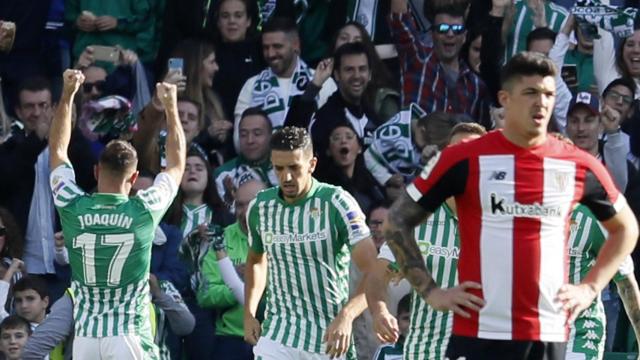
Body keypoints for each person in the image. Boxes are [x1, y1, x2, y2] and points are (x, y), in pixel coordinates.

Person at [381, 52, 638, 359]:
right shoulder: (463, 159)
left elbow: (626, 229)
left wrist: (589, 288)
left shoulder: (576, 164)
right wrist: (431, 292)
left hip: (545, 334)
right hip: (479, 332)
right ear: (505, 98)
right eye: (530, 93)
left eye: (548, 94)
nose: (541, 102)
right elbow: (395, 222)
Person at [48, 69, 186, 359]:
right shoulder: (145, 209)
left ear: (96, 171)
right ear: (134, 178)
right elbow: (175, 166)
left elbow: (58, 152)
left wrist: (67, 95)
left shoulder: (72, 204)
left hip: (86, 337)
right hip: (128, 336)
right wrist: (171, 109)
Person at [243, 126, 380, 359]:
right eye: (279, 168)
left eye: (294, 168)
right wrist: (249, 313)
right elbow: (256, 259)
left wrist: (346, 316)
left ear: (312, 165)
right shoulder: (260, 207)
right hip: (278, 334)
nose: (286, 176)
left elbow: (374, 271)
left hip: (328, 337)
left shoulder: (337, 202)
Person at [367, 123, 486, 360]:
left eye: (473, 154)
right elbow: (377, 276)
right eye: (457, 153)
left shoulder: (504, 220)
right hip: (425, 351)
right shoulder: (416, 218)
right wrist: (380, 312)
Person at [0, 76, 96, 288]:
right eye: (29, 106)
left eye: (43, 106)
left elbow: (91, 179)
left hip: (68, 264)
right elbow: (6, 179)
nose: (37, 113)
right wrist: (37, 141)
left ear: (54, 107)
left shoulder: (74, 146)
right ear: (18, 111)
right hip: (23, 267)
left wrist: (70, 132)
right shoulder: (9, 149)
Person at [233, 17, 337, 149]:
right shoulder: (251, 85)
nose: (270, 54)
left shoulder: (323, 81)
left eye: (277, 47)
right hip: (263, 166)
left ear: (295, 45)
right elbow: (239, 141)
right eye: (266, 48)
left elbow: (334, 132)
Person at [388, 0, 491, 126]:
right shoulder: (417, 58)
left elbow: (481, 135)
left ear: (464, 36)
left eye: (457, 29)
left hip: (456, 145)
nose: (450, 34)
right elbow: (400, 19)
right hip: (414, 144)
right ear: (432, 34)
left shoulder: (476, 87)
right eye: (443, 29)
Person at [198, 179, 266, 360]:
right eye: (240, 205)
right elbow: (205, 295)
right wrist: (239, 284)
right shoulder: (221, 238)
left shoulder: (283, 238)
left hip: (274, 337)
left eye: (251, 204)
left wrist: (257, 280)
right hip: (232, 339)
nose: (244, 213)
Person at [565, 204, 640, 359]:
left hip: (580, 331)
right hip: (536, 328)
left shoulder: (598, 219)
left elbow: (627, 285)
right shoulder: (524, 212)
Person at [314, 124, 385, 215]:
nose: (343, 141)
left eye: (349, 137)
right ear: (329, 151)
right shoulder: (321, 186)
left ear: (359, 148)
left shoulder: (369, 183)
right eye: (336, 138)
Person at [214, 107, 277, 209]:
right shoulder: (223, 175)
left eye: (257, 134)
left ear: (271, 136)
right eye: (243, 135)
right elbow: (219, 220)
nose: (250, 140)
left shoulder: (285, 169)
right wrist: (229, 201)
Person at [213, 0, 265, 119]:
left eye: (238, 15)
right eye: (225, 16)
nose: (232, 21)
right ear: (218, 22)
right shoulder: (206, 53)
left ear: (248, 21)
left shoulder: (261, 51)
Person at [372, 294, 412, 360]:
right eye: (406, 318)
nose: (411, 324)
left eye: (416, 319)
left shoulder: (431, 348)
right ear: (397, 321)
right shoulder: (385, 350)